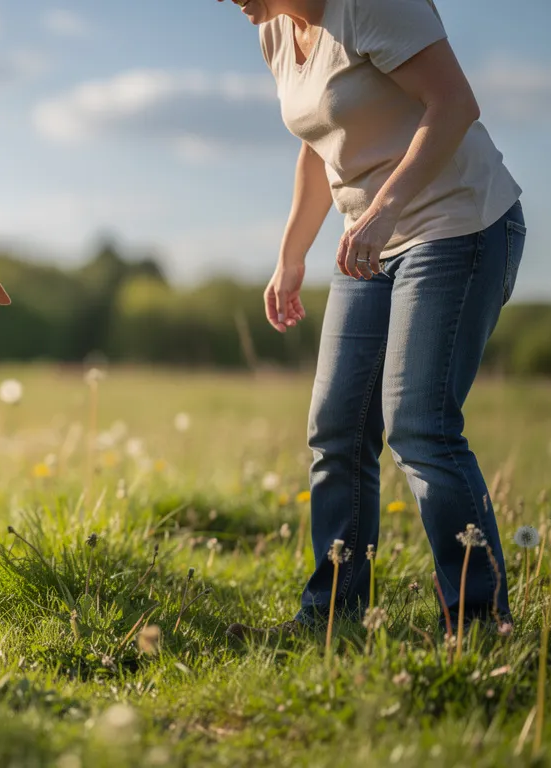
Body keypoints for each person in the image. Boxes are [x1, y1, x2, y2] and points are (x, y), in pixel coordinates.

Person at [218, 0, 525, 638]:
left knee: (421, 427)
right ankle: (332, 614)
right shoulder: (276, 28)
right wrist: (291, 254)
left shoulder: (370, 4)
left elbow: (455, 104)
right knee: (337, 429)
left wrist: (383, 210)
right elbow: (317, 142)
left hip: (455, 225)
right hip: (371, 240)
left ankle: (478, 623)